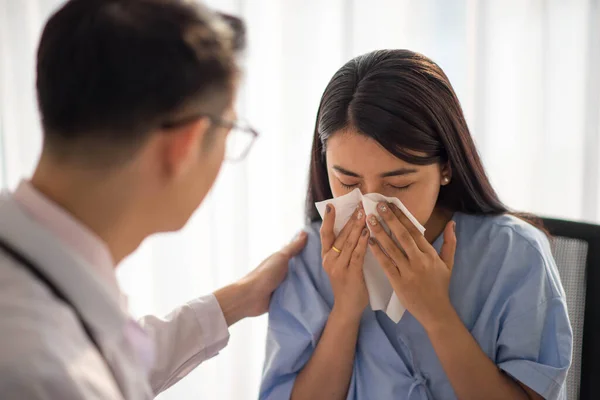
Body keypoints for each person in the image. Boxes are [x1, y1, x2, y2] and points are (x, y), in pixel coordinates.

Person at [0, 0, 307, 399]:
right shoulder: (48, 375)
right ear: (186, 145)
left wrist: (237, 299)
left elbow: (117, 356)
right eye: (232, 129)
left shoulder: (35, 289)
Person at [260, 49, 572, 400]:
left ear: (446, 167)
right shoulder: (308, 257)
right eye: (347, 182)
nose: (371, 206)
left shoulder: (515, 253)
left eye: (399, 184)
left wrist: (437, 313)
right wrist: (346, 309)